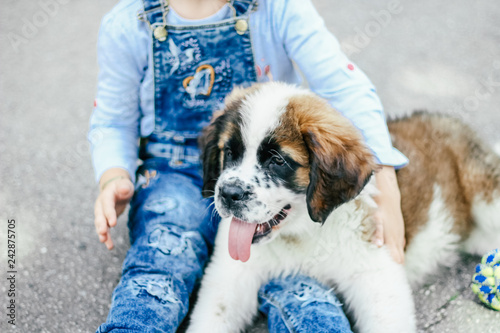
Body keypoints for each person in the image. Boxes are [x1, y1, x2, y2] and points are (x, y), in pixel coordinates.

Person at [89, 0, 408, 332]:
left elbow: (343, 86)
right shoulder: (128, 24)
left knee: (302, 288)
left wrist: (384, 180)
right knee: (165, 252)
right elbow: (112, 119)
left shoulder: (278, 8)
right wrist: (113, 174)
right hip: (172, 174)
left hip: (269, 192)